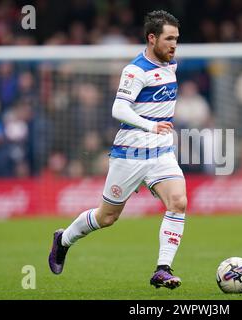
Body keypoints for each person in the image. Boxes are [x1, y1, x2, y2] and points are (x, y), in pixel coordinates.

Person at [48, 10, 186, 290]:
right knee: (106, 217)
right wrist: (150, 126)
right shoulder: (135, 70)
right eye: (169, 39)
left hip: (161, 153)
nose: (174, 45)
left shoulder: (170, 65)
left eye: (176, 39)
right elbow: (118, 108)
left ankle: (162, 269)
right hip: (130, 154)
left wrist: (157, 132)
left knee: (179, 202)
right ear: (151, 38)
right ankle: (63, 240)